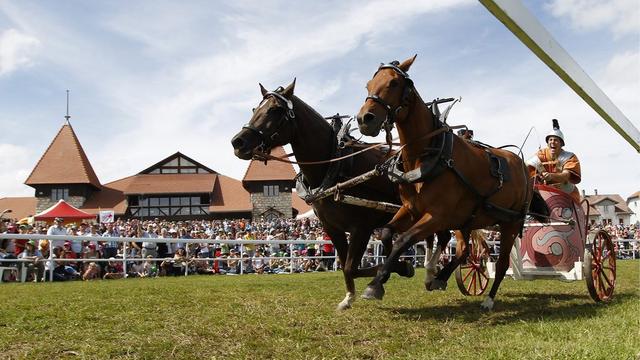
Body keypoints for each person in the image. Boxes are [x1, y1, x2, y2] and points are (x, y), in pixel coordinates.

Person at [527, 119, 581, 203]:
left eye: (556, 140)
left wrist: (551, 176)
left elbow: (566, 175)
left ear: (561, 143)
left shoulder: (570, 157)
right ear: (547, 142)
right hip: (544, 196)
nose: (552, 142)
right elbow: (528, 170)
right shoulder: (541, 154)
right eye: (550, 140)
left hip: (567, 195)